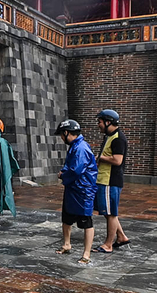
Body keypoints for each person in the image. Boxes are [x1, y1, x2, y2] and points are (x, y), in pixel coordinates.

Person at [55, 119, 98, 264]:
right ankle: (66, 244)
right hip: (74, 188)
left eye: (62, 134)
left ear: (67, 133)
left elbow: (76, 170)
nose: (61, 137)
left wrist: (63, 175)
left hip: (83, 190)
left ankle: (86, 254)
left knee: (86, 221)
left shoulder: (80, 148)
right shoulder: (75, 146)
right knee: (66, 218)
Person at [93, 109, 130, 253]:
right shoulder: (110, 136)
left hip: (110, 180)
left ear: (108, 122)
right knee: (108, 212)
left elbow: (117, 160)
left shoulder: (118, 138)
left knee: (111, 214)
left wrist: (100, 157)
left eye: (100, 122)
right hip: (104, 180)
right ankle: (121, 237)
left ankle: (108, 245)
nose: (98, 125)